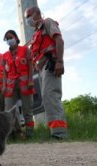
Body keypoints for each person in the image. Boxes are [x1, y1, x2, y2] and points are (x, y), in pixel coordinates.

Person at [24, 7, 68, 139]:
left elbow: (59, 40)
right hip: (42, 69)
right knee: (46, 97)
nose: (27, 20)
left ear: (37, 13)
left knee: (50, 95)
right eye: (26, 17)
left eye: (29, 16)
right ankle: (56, 131)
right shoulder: (36, 34)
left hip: (51, 64)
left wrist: (59, 61)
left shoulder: (48, 23)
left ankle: (60, 133)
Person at [2, 30, 35, 138]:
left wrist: (30, 80)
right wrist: (4, 85)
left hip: (25, 83)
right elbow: (5, 73)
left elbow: (31, 65)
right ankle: (15, 134)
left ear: (16, 37)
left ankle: (30, 135)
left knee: (27, 111)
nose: (9, 40)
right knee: (8, 111)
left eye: (10, 37)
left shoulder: (25, 49)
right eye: (7, 39)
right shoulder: (5, 56)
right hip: (10, 86)